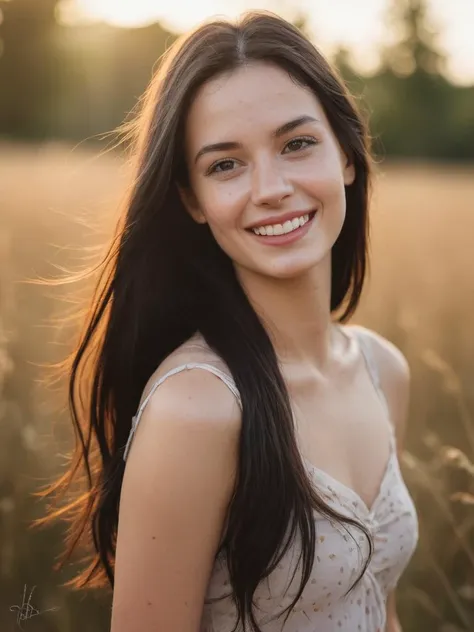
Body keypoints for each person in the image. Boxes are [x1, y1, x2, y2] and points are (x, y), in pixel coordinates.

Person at [35, 10, 419, 632]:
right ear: (191, 199)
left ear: (347, 154)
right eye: (225, 165)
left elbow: (383, 611)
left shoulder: (383, 370)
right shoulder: (197, 410)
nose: (270, 189)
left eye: (297, 144)